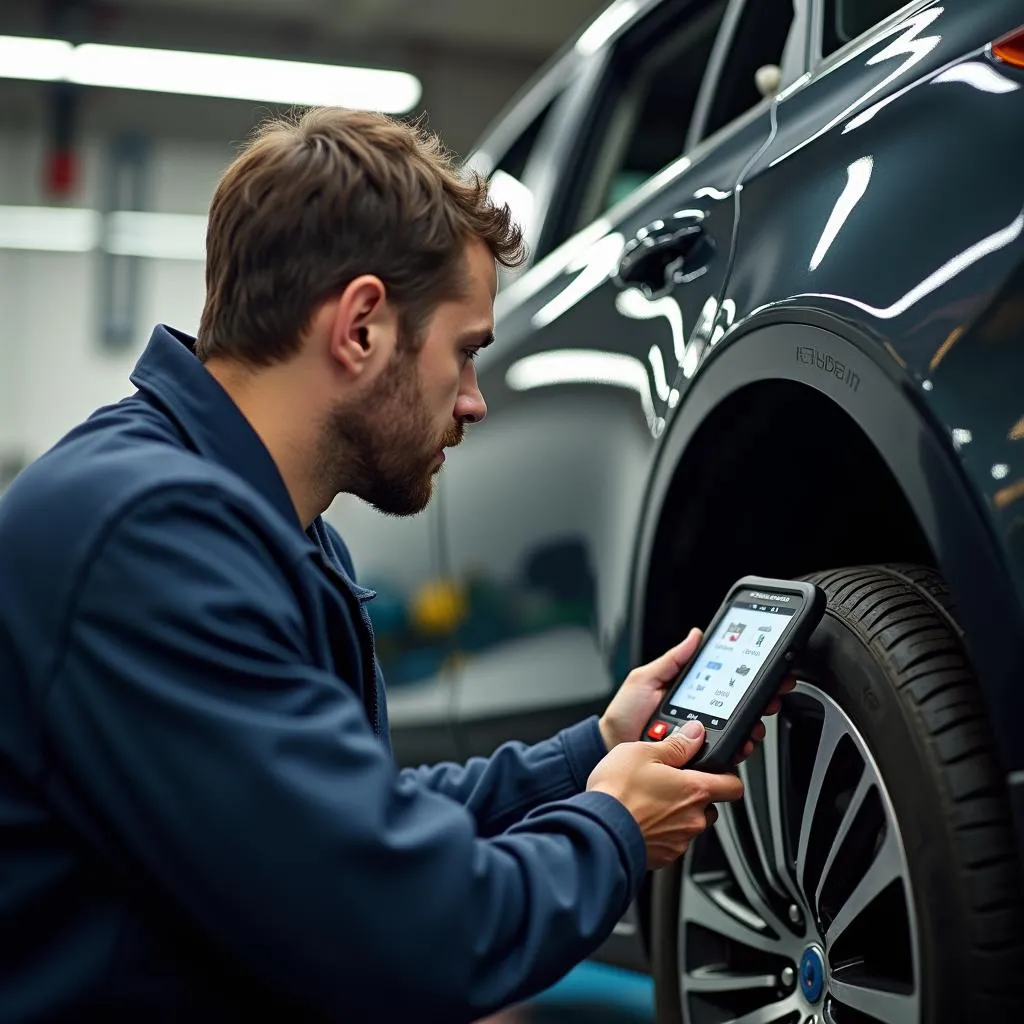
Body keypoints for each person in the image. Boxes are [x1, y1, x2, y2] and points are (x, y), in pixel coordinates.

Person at [0, 108, 788, 1023]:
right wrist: (611, 831)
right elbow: (409, 931)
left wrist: (594, 756)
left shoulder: (266, 529)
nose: (475, 401)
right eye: (464, 353)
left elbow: (345, 821)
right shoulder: (145, 536)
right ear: (363, 326)